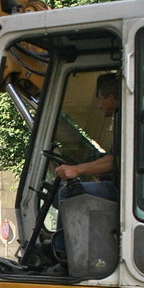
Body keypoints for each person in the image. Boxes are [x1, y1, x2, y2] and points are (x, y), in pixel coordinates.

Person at [50, 72, 120, 272]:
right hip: (123, 188)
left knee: (67, 193)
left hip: (122, 191)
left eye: (101, 99)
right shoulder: (126, 119)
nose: (100, 106)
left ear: (110, 97)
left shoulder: (125, 119)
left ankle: (63, 256)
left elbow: (114, 161)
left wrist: (76, 170)